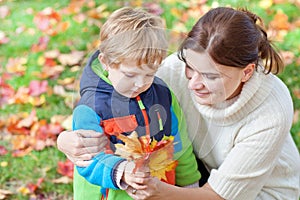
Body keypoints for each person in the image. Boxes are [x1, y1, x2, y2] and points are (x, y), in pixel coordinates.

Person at [57, 7, 300, 200]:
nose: (194, 83)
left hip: (254, 193)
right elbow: (108, 83)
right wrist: (66, 140)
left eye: (211, 76)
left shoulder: (270, 109)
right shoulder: (167, 73)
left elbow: (220, 196)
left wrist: (159, 192)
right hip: (202, 173)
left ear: (246, 72)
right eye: (190, 68)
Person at [60, 6, 201, 200]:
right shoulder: (91, 107)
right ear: (105, 62)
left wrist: (190, 186)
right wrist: (122, 170)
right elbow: (87, 160)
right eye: (130, 74)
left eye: (149, 74)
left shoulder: (163, 95)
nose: (140, 83)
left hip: (158, 191)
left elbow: (180, 144)